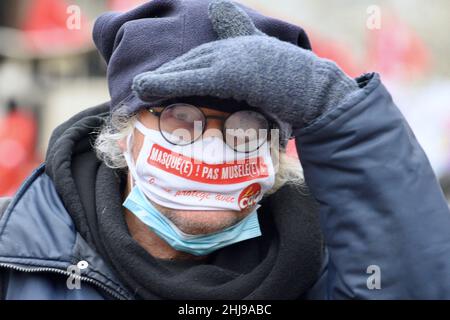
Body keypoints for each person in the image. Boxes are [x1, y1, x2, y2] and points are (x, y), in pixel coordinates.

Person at [1, 0, 449, 300]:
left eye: (248, 125)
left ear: (277, 152)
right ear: (124, 132)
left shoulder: (341, 264)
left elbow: (417, 282)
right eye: (180, 117)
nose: (213, 145)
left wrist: (341, 110)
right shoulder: (14, 256)